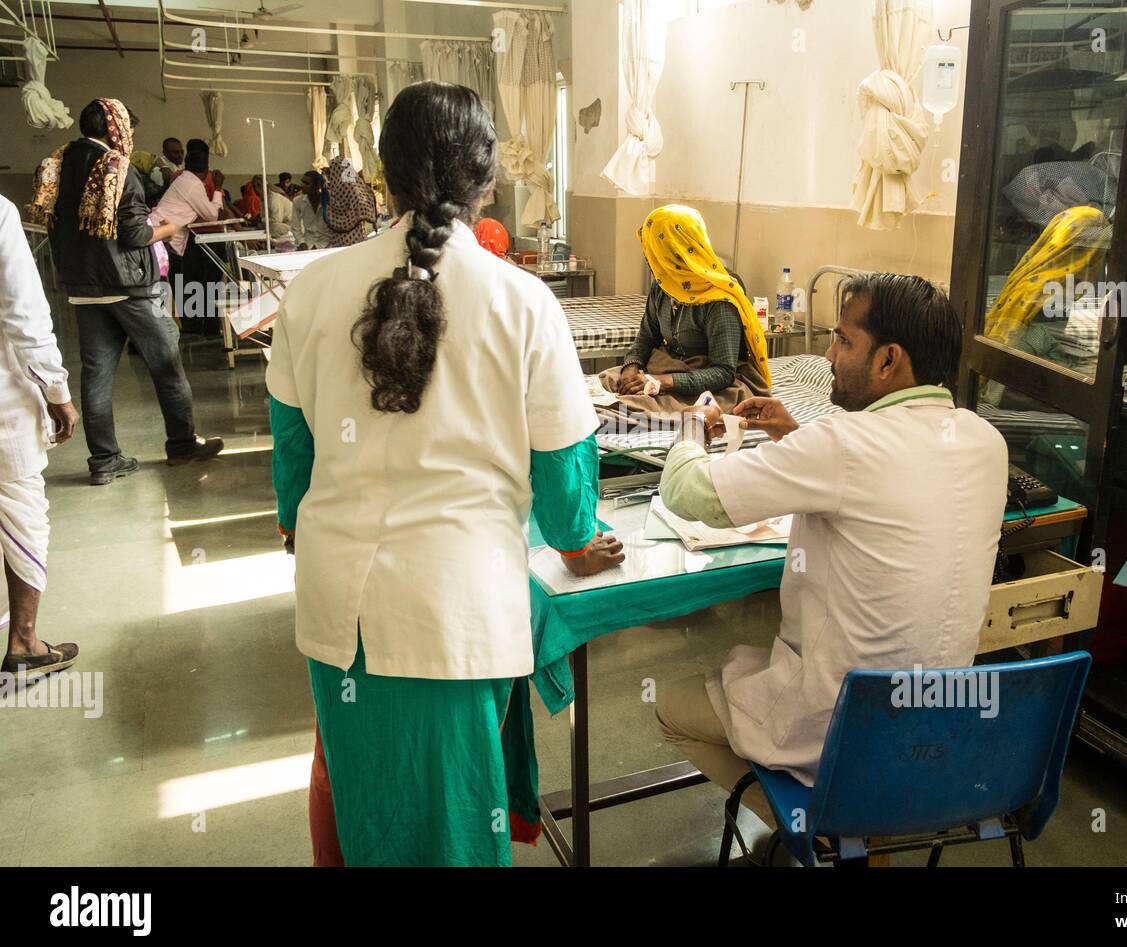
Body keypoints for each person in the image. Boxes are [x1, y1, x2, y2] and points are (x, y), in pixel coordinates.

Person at [267, 81, 624, 866]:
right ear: (487, 180)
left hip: (340, 611)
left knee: (368, 807)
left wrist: (305, 520)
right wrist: (573, 539)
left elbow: (292, 464)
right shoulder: (524, 303)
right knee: (455, 827)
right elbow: (566, 489)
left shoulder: (313, 291)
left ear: (384, 176)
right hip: (454, 610)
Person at [654, 272, 1009, 827]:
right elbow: (887, 482)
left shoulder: (841, 444)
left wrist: (691, 433)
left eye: (844, 341)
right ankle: (860, 822)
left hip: (836, 730)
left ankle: (821, 826)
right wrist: (792, 438)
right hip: (939, 726)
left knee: (670, 706)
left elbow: (688, 492)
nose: (828, 353)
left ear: (889, 359)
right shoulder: (985, 440)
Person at [32, 98, 223, 484]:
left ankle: (104, 460)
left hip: (83, 288)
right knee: (167, 363)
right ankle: (182, 444)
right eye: (127, 130)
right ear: (113, 129)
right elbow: (135, 233)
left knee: (96, 375)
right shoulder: (118, 169)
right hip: (130, 286)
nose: (130, 138)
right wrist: (168, 230)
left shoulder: (56, 163)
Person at [0, 195, 80, 677]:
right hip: (3, 405)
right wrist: (56, 389)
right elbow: (23, 312)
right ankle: (25, 642)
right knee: (22, 509)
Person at [596, 204, 771, 414]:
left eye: (654, 252)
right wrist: (631, 367)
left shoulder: (719, 302)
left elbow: (724, 372)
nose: (649, 259)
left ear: (675, 252)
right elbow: (646, 336)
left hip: (709, 381)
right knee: (601, 386)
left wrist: (662, 382)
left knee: (627, 408)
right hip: (669, 366)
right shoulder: (662, 287)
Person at [153, 144, 225, 334]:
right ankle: (160, 333)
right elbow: (211, 215)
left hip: (164, 237)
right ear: (207, 169)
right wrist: (218, 188)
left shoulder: (183, 179)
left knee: (167, 286)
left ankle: (184, 327)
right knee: (160, 288)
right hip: (163, 240)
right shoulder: (193, 184)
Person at [323, 155, 377, 247]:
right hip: (357, 235)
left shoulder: (334, 189)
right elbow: (365, 205)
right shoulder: (359, 186)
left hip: (341, 238)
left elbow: (329, 206)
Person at [291, 170, 330, 251]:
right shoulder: (298, 201)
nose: (302, 185)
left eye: (306, 183)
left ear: (317, 186)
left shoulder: (328, 200)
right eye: (302, 182)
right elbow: (295, 227)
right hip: (308, 242)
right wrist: (301, 242)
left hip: (328, 242)